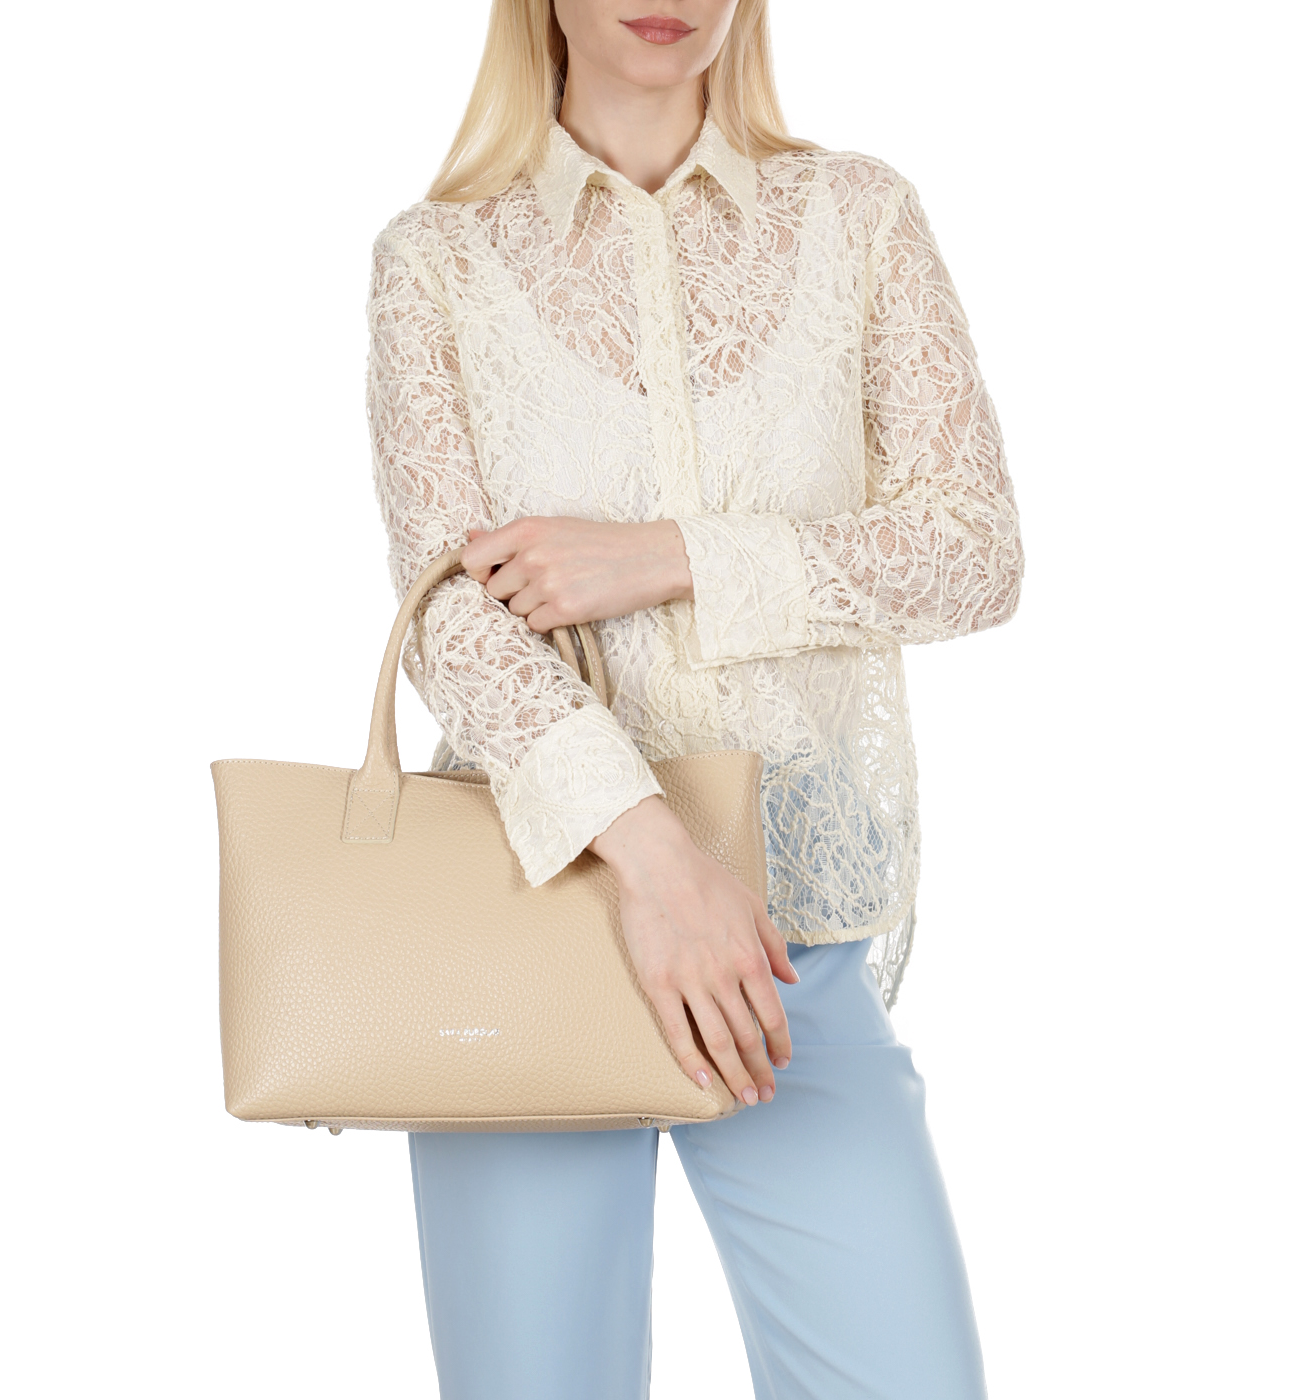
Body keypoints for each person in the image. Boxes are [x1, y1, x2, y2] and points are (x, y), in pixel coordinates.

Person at [365, 2, 1023, 1396]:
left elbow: (973, 552)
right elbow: (451, 624)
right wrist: (658, 859)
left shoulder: (859, 217)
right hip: (526, 920)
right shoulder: (438, 260)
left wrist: (665, 557)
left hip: (794, 949)